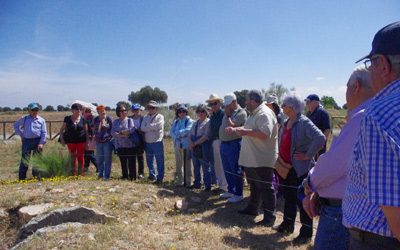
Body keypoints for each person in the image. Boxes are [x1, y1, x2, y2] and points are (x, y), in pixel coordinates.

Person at [302, 66, 374, 250]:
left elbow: (334, 165)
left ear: (355, 87)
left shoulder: (362, 117)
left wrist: (310, 182)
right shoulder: (373, 115)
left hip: (340, 211)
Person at [342, 21, 400, 249]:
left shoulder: (379, 115)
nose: (370, 70)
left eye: (371, 63)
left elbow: (397, 220)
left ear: (383, 65)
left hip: (380, 241)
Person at [277, 94, 325, 245]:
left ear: (291, 107)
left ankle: (305, 234)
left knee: (301, 201)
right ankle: (288, 224)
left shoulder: (303, 122)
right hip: (286, 167)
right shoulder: (286, 121)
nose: (282, 107)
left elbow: (320, 137)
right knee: (288, 197)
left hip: (300, 169)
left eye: (284, 104)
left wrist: (308, 155)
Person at [227, 90, 278, 227]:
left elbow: (264, 133)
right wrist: (237, 129)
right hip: (253, 158)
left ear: (254, 100)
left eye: (247, 100)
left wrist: (244, 132)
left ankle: (269, 217)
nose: (245, 102)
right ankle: (252, 208)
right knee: (255, 186)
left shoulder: (264, 113)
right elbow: (251, 128)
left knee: (266, 187)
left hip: (262, 158)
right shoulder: (254, 113)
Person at [220, 93, 247, 203]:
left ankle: (238, 193)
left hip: (234, 143)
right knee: (227, 168)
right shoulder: (228, 112)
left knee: (235, 169)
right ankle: (231, 190)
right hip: (224, 143)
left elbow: (233, 127)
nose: (226, 107)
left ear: (234, 102)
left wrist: (227, 115)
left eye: (228, 104)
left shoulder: (241, 113)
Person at [13, 102, 47, 180]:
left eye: (36, 110)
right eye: (33, 110)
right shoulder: (24, 118)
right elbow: (15, 126)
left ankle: (36, 176)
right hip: (27, 142)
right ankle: (22, 178)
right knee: (25, 160)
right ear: (29, 110)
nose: (35, 111)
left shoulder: (41, 120)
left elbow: (44, 132)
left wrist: (41, 143)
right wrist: (21, 135)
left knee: (37, 160)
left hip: (37, 141)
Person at [59, 103, 88, 176]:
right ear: (72, 110)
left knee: (80, 157)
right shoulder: (67, 118)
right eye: (76, 109)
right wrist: (62, 139)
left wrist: (87, 142)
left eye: (80, 109)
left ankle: (80, 174)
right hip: (70, 141)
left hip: (81, 141)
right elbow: (61, 130)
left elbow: (86, 131)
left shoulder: (83, 119)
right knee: (72, 157)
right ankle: (72, 174)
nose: (78, 110)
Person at [206, 93, 227, 192]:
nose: (213, 106)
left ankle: (224, 186)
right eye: (211, 104)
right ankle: (221, 185)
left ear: (219, 103)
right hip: (214, 141)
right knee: (217, 165)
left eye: (215, 103)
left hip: (221, 140)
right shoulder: (213, 116)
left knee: (222, 165)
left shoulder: (223, 114)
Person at [188, 104, 212, 191]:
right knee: (195, 166)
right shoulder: (195, 123)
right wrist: (190, 143)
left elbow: (206, 136)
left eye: (203, 111)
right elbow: (190, 134)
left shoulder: (208, 122)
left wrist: (194, 143)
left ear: (206, 112)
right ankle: (197, 183)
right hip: (194, 146)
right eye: (199, 111)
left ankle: (208, 186)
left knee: (205, 167)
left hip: (204, 146)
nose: (200, 113)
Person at [141, 100, 165, 184]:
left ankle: (160, 177)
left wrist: (148, 126)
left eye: (153, 107)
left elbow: (159, 126)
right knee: (149, 160)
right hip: (148, 142)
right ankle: (152, 175)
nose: (151, 109)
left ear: (156, 108)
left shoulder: (160, 116)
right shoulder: (145, 117)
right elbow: (142, 128)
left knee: (159, 161)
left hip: (157, 141)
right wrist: (152, 127)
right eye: (149, 107)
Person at [170, 104, 193, 187]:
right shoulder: (176, 121)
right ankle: (180, 181)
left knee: (187, 164)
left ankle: (188, 182)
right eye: (180, 111)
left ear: (186, 112)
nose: (181, 113)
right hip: (177, 145)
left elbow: (188, 130)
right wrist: (179, 134)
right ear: (177, 113)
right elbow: (171, 132)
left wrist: (177, 134)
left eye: (183, 111)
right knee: (178, 164)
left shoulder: (189, 121)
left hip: (186, 146)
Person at [111, 105, 136, 180]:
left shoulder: (129, 120)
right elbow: (112, 132)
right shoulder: (115, 121)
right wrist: (123, 134)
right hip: (120, 145)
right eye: (121, 111)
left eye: (125, 110)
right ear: (118, 112)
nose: (124, 112)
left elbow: (132, 130)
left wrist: (120, 133)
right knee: (123, 162)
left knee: (131, 162)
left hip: (130, 145)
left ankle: (132, 177)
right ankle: (125, 176)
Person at [93, 105, 113, 180]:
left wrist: (105, 124)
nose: (103, 112)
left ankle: (107, 176)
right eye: (101, 111)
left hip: (107, 141)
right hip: (98, 142)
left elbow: (112, 129)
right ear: (98, 112)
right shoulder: (96, 119)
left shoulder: (109, 118)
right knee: (99, 159)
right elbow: (94, 130)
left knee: (107, 159)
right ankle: (101, 174)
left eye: (103, 110)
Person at [130, 103, 145, 179]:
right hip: (131, 140)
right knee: (132, 157)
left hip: (141, 140)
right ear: (132, 110)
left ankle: (141, 173)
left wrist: (137, 129)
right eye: (134, 110)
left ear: (140, 110)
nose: (136, 111)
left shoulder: (143, 118)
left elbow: (144, 129)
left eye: (137, 109)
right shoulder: (130, 118)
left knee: (140, 157)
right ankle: (133, 173)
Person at [83, 108, 98, 173]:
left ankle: (98, 167)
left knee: (90, 154)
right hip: (88, 138)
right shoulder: (88, 118)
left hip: (89, 138)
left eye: (86, 112)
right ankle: (86, 167)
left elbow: (91, 129)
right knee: (86, 154)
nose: (84, 113)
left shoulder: (90, 119)